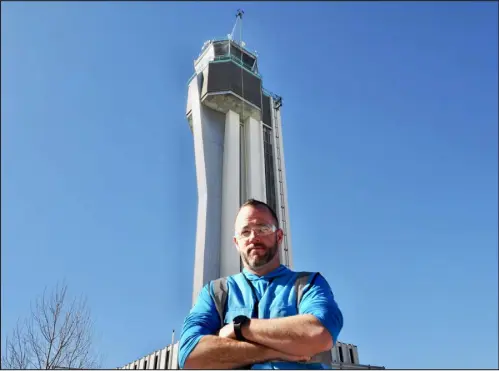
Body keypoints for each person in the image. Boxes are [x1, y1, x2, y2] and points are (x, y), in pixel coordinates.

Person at [178, 199, 343, 369]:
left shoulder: (308, 284)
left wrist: (239, 329)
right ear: (236, 242)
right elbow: (190, 355)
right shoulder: (217, 292)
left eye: (263, 229)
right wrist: (276, 352)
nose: (253, 237)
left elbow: (319, 333)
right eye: (245, 232)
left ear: (279, 236)